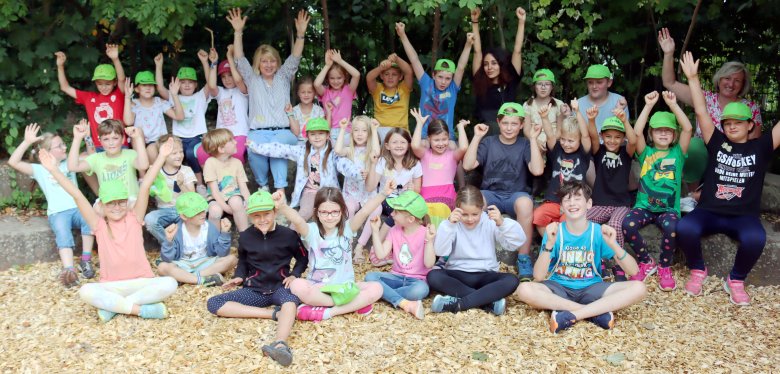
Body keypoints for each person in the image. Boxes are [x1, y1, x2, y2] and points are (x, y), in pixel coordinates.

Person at [676, 52, 780, 305]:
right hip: (710, 210)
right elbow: (701, 111)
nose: (732, 127)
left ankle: (735, 279)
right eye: (727, 123)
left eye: (738, 123)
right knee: (685, 228)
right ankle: (698, 269)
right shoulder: (717, 142)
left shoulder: (761, 147)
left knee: (756, 238)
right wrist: (692, 77)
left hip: (743, 216)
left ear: (750, 124)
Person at [40, 137, 179, 323]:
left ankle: (114, 307)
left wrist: (161, 156)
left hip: (142, 281)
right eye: (111, 203)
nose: (116, 207)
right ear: (103, 205)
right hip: (112, 285)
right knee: (86, 291)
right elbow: (77, 195)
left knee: (170, 283)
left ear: (126, 202)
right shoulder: (98, 224)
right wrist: (53, 170)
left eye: (120, 202)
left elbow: (145, 185)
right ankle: (140, 310)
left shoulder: (135, 218)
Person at [514, 181, 646, 334]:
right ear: (562, 207)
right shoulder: (555, 231)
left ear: (589, 204)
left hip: (592, 288)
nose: (572, 203)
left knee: (639, 288)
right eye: (567, 199)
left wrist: (613, 244)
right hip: (559, 287)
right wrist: (549, 243)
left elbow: (634, 270)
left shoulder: (597, 232)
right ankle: (593, 313)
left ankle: (572, 314)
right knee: (524, 289)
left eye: (577, 198)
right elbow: (538, 276)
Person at [658, 28, 763, 212]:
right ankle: (692, 198)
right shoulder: (704, 98)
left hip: (734, 163)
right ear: (719, 78)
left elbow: (754, 145)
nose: (731, 84)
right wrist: (668, 53)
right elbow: (670, 83)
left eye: (737, 81)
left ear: (743, 85)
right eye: (727, 78)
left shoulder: (750, 108)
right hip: (705, 157)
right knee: (693, 146)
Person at [206, 190, 308, 367]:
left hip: (280, 287)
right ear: (250, 216)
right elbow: (243, 260)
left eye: (267, 214)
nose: (262, 219)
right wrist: (238, 277)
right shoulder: (245, 237)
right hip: (255, 290)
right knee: (213, 303)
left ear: (275, 212)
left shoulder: (289, 235)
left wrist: (294, 275)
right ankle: (274, 314)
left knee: (291, 302)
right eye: (256, 216)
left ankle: (280, 344)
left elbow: (303, 258)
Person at [281, 184, 393, 322]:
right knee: (296, 285)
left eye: (335, 212)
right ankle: (352, 305)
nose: (329, 217)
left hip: (345, 288)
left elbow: (364, 212)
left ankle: (328, 312)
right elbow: (297, 220)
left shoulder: (348, 228)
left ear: (342, 211)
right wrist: (282, 206)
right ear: (316, 212)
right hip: (318, 288)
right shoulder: (311, 231)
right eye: (324, 212)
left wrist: (383, 193)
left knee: (377, 288)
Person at [228, 7, 310, 194]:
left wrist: (300, 35)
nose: (268, 64)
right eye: (264, 61)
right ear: (258, 62)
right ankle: (263, 186)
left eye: (272, 61)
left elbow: (295, 56)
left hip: (283, 132)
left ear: (277, 62)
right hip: (258, 132)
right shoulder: (251, 79)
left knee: (277, 149)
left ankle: (280, 190)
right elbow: (239, 58)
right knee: (254, 149)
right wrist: (238, 31)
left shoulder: (283, 76)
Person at [463, 102, 544, 280]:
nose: (509, 128)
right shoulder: (489, 142)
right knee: (475, 201)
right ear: (498, 122)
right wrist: (476, 137)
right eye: (505, 123)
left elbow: (537, 170)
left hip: (515, 194)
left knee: (525, 204)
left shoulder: (524, 144)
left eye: (514, 124)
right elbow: (468, 165)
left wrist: (532, 139)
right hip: (491, 193)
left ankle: (523, 259)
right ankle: (474, 256)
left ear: (521, 125)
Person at [8, 124, 95, 286]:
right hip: (58, 212)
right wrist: (27, 142)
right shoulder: (40, 170)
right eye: (59, 145)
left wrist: (87, 137)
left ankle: (86, 260)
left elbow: (93, 156)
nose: (65, 147)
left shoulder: (70, 162)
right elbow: (14, 162)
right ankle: (69, 270)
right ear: (47, 153)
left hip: (78, 208)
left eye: (64, 144)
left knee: (89, 221)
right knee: (62, 233)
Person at [622, 91, 693, 289]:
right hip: (644, 206)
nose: (663, 133)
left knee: (672, 227)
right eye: (658, 130)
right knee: (627, 223)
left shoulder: (678, 153)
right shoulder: (646, 153)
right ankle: (646, 261)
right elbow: (636, 134)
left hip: (668, 209)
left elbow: (688, 128)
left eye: (668, 131)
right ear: (651, 134)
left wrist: (673, 105)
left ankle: (664, 267)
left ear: (674, 135)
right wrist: (647, 106)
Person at [428, 185, 522, 315]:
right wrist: (449, 225)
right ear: (457, 209)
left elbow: (515, 243)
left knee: (512, 280)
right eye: (465, 214)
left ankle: (458, 304)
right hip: (458, 273)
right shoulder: (451, 223)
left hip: (485, 275)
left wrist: (502, 223)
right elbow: (440, 251)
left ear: (482, 208)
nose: (470, 219)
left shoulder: (491, 221)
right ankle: (487, 302)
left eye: (475, 214)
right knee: (433, 276)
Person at [247, 117, 362, 221]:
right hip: (310, 192)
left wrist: (357, 173)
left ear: (327, 135)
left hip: (328, 193)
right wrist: (255, 146)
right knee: (305, 212)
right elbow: (280, 149)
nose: (317, 137)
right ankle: (292, 238)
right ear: (307, 136)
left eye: (321, 133)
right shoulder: (302, 151)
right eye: (313, 134)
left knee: (334, 213)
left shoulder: (332, 154)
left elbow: (345, 164)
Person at [584, 107, 637, 281]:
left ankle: (618, 265)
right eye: (608, 136)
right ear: (602, 136)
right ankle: (592, 260)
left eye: (617, 137)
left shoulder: (626, 153)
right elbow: (592, 136)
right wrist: (591, 120)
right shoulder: (599, 151)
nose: (612, 140)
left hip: (621, 203)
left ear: (623, 138)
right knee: (584, 220)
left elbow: (634, 141)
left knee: (615, 224)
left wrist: (624, 121)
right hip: (600, 202)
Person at [396, 22, 473, 141]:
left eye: (448, 78)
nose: (443, 82)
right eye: (440, 77)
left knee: (459, 151)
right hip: (424, 136)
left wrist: (468, 45)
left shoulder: (452, 88)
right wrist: (402, 35)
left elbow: (461, 67)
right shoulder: (426, 83)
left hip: (446, 137)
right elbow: (414, 59)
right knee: (417, 148)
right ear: (433, 75)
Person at [365, 191, 435, 319]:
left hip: (416, 281)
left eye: (396, 212)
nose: (391, 214)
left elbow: (429, 264)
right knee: (370, 277)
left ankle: (382, 294)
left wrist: (429, 241)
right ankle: (404, 303)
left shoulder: (425, 233)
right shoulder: (394, 231)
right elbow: (380, 255)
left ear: (410, 219)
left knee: (421, 290)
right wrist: (375, 231)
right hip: (395, 277)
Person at [364, 128, 423, 266]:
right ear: (387, 146)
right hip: (386, 199)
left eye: (403, 142)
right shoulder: (383, 162)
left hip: (405, 201)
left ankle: (398, 250)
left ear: (409, 144)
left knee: (406, 212)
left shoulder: (415, 164)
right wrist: (373, 165)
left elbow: (418, 189)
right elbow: (371, 186)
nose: (399, 145)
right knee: (397, 212)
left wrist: (413, 189)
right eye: (394, 142)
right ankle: (376, 250)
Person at [155, 51, 213, 189]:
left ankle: (200, 184)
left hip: (197, 137)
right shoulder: (174, 96)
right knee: (174, 156)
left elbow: (210, 83)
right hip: (179, 138)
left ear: (196, 85)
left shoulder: (200, 96)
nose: (187, 85)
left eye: (190, 82)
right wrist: (158, 66)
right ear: (177, 85)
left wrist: (205, 62)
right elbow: (160, 88)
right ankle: (177, 186)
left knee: (190, 154)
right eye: (183, 82)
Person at [532, 101, 591, 235]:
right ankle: (552, 246)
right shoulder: (558, 149)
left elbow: (586, 135)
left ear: (579, 140)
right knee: (538, 216)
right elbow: (550, 135)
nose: (566, 144)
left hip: (573, 202)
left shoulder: (583, 153)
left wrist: (577, 112)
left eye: (571, 141)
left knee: (569, 223)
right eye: (563, 139)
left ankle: (564, 250)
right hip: (553, 201)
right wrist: (545, 117)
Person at [55, 44, 127, 152]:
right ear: (95, 83)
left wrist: (115, 59)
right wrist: (60, 67)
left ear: (114, 82)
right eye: (100, 84)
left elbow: (122, 79)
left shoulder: (118, 94)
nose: (103, 87)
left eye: (107, 84)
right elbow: (65, 88)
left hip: (120, 144)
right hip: (99, 146)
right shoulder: (89, 97)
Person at [158, 192, 238, 287]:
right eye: (197, 212)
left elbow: (222, 253)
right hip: (183, 264)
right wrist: (169, 240)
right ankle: (201, 280)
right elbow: (167, 258)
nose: (203, 214)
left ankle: (187, 278)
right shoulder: (176, 230)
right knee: (162, 267)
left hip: (205, 263)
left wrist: (224, 233)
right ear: (184, 216)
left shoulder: (210, 227)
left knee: (232, 259)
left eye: (203, 210)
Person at [470, 6, 526, 133]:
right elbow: (477, 51)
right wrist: (474, 22)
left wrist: (521, 22)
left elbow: (517, 51)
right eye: (486, 64)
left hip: (509, 130)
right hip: (486, 131)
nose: (489, 67)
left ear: (501, 65)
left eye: (494, 63)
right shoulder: (480, 80)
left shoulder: (511, 80)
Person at [67, 119, 149, 198]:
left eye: (115, 138)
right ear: (100, 141)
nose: (111, 143)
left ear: (123, 139)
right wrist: (77, 138)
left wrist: (138, 138)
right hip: (109, 206)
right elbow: (73, 167)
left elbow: (143, 166)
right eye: (106, 139)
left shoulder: (130, 154)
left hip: (131, 203)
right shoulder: (96, 158)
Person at [197, 45, 250, 164]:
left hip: (239, 134)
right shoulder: (221, 92)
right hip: (221, 135)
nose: (227, 79)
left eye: (230, 75)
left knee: (236, 153)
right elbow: (211, 85)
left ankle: (236, 181)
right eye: (223, 77)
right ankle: (211, 181)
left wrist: (229, 57)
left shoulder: (243, 90)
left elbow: (238, 80)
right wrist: (214, 63)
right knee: (201, 153)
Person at [410, 108, 469, 210]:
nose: (441, 143)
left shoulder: (452, 156)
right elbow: (415, 146)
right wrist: (419, 124)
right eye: (436, 140)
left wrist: (460, 128)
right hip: (426, 199)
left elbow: (463, 147)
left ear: (449, 137)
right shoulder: (425, 154)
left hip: (448, 199)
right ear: (429, 139)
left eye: (444, 139)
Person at [143, 135, 197, 245]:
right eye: (174, 153)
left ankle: (180, 245)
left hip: (182, 210)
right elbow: (146, 189)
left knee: (189, 226)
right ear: (163, 155)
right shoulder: (156, 172)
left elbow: (193, 197)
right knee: (149, 219)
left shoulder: (186, 170)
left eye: (181, 152)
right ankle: (169, 244)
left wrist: (182, 185)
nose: (179, 156)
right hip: (164, 210)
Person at [123, 73, 184, 164]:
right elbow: (128, 122)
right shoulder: (134, 104)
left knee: (151, 149)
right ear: (136, 89)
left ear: (155, 88)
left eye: (151, 85)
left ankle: (155, 175)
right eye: (144, 85)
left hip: (159, 141)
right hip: (140, 143)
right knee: (136, 133)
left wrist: (174, 95)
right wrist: (127, 97)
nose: (148, 88)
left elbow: (179, 116)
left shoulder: (159, 102)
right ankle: (142, 175)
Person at [202, 128, 251, 232]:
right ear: (221, 149)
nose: (236, 142)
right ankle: (214, 239)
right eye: (231, 140)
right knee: (215, 211)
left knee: (236, 201)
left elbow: (243, 187)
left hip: (233, 195)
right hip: (215, 198)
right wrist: (226, 208)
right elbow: (214, 192)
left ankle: (245, 234)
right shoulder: (210, 163)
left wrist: (250, 203)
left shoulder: (237, 163)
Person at [314, 49, 361, 141]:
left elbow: (357, 75)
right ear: (328, 79)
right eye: (332, 78)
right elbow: (316, 84)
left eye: (339, 78)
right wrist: (327, 66)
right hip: (328, 131)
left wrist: (340, 61)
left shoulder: (349, 90)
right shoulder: (325, 92)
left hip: (346, 131)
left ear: (344, 77)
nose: (336, 81)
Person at [366, 53, 414, 139]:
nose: (390, 77)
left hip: (401, 130)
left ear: (400, 77)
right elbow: (369, 78)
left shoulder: (404, 88)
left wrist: (397, 59)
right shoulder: (377, 89)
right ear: (381, 76)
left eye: (394, 74)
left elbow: (409, 72)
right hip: (380, 129)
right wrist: (381, 68)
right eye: (386, 74)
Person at [524, 69, 566, 153]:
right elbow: (526, 130)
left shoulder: (558, 104)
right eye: (539, 84)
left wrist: (549, 142)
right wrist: (536, 142)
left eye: (547, 84)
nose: (543, 87)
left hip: (554, 143)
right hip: (533, 142)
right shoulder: (527, 105)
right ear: (534, 86)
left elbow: (560, 130)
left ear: (552, 87)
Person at [577, 65, 630, 131]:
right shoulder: (578, 104)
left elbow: (626, 134)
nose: (594, 86)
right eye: (590, 82)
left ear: (609, 83)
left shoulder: (619, 101)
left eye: (599, 82)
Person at [287, 76, 326, 144]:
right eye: (303, 92)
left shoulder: (319, 110)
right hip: (299, 143)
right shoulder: (294, 111)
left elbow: (323, 130)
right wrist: (290, 113)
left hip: (316, 144)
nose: (306, 95)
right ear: (298, 93)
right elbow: (296, 133)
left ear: (314, 93)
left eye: (309, 92)